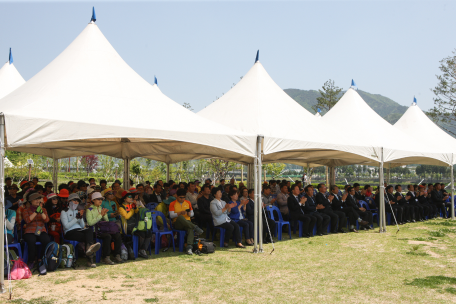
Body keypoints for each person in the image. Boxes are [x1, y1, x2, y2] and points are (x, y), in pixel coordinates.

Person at [61, 193, 101, 268]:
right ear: (69, 201)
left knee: (89, 231)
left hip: (79, 230)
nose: (76, 202)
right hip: (70, 232)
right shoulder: (64, 212)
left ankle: (89, 250)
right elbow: (66, 226)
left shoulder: (77, 211)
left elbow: (82, 226)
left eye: (78, 201)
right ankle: (90, 260)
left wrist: (80, 217)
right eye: (74, 200)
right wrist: (76, 218)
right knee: (88, 237)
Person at [86, 192, 123, 265]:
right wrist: (100, 215)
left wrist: (104, 215)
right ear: (93, 200)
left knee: (118, 235)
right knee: (107, 236)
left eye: (101, 199)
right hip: (95, 231)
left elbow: (107, 221)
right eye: (98, 199)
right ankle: (106, 257)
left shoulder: (102, 208)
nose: (100, 200)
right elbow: (90, 223)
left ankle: (117, 255)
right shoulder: (89, 210)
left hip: (104, 229)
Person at [169, 189, 204, 255]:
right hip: (177, 223)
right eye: (181, 197)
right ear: (176, 196)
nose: (182, 199)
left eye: (184, 197)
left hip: (188, 223)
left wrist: (189, 214)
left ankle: (189, 248)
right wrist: (180, 213)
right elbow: (171, 215)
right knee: (180, 217)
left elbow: (192, 214)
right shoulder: (172, 203)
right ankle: (195, 227)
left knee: (190, 228)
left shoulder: (188, 202)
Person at [118, 191, 151, 259]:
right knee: (141, 233)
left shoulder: (132, 205)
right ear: (124, 199)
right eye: (129, 197)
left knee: (148, 232)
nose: (131, 198)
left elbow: (137, 212)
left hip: (135, 225)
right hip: (127, 228)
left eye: (132, 197)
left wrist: (136, 207)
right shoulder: (121, 208)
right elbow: (126, 216)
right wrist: (133, 209)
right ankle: (138, 249)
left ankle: (142, 249)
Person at [22, 192, 51, 269]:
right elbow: (28, 220)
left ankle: (41, 259)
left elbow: (46, 220)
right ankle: (31, 261)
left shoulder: (43, 209)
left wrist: (41, 212)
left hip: (40, 230)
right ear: (30, 201)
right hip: (30, 231)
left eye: (38, 199)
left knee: (46, 240)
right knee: (31, 241)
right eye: (35, 199)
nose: (38, 200)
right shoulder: (26, 210)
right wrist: (35, 212)